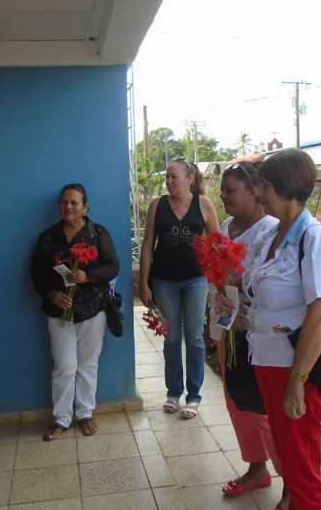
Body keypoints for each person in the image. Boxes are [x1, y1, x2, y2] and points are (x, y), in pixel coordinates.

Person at [243, 149, 321, 510]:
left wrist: (298, 380)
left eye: (264, 185)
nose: (258, 193)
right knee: (290, 458)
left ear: (286, 187)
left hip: (295, 368)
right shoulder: (273, 236)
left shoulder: (314, 237)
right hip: (268, 361)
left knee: (301, 468)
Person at [211, 162, 282, 498]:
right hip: (228, 327)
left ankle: (291, 479)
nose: (224, 197)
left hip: (257, 333)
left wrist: (234, 282)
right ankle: (257, 467)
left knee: (263, 407)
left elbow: (269, 283)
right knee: (237, 400)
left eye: (231, 190)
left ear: (255, 191)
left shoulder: (271, 230)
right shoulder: (226, 226)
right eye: (223, 190)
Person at [31, 183, 119, 441]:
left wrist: (87, 276)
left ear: (85, 206)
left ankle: (85, 413)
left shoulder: (97, 233)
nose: (68, 207)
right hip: (59, 312)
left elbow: (113, 266)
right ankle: (61, 418)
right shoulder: (48, 237)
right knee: (65, 367)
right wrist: (51, 294)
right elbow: (36, 273)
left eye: (74, 203)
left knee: (88, 364)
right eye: (64, 203)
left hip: (93, 309)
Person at [140, 158, 219, 419]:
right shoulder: (157, 205)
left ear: (190, 179)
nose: (169, 182)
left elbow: (217, 245)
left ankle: (194, 396)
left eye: (174, 177)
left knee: (195, 337)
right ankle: (173, 392)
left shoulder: (204, 205)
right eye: (167, 177)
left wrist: (220, 282)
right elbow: (147, 244)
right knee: (172, 337)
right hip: (164, 281)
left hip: (196, 280)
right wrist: (143, 284)